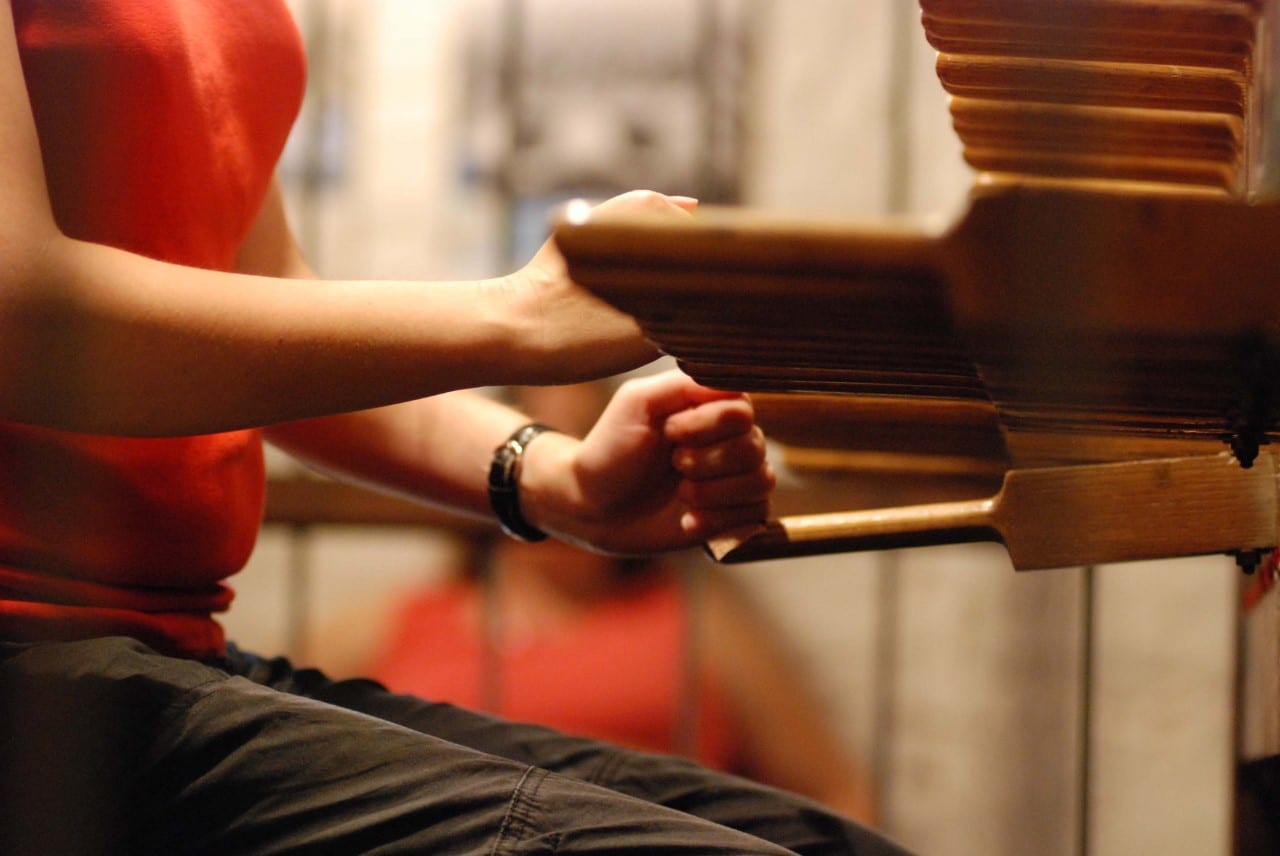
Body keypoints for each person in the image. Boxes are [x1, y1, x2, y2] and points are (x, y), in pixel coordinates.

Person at [0, 2, 910, 854]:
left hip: (165, 651)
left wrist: (557, 480)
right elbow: (19, 312)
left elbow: (268, 305)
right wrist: (517, 318)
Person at [349, 383, 879, 825]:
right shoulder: (399, 619)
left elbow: (836, 792)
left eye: (584, 443)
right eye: (539, 447)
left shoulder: (697, 620)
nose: (576, 477)